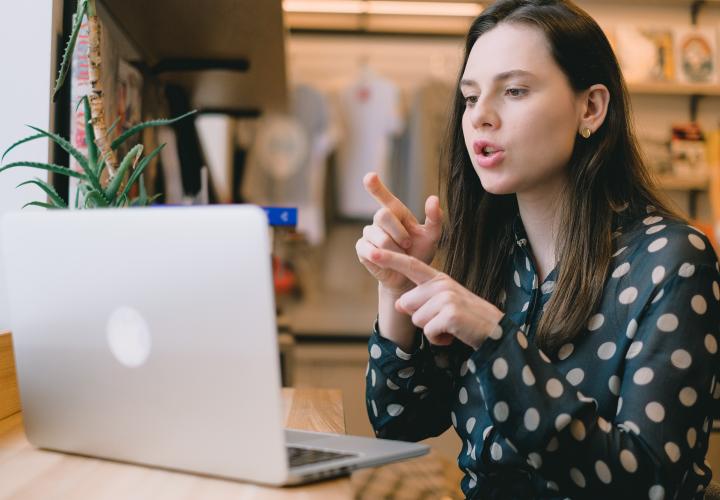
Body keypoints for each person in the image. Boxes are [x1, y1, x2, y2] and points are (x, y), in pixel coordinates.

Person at [354, 0, 720, 498]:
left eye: (515, 91)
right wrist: (395, 286)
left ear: (590, 108)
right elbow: (399, 423)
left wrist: (495, 337)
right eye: (470, 97)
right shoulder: (492, 255)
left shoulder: (673, 260)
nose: (481, 116)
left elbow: (648, 481)